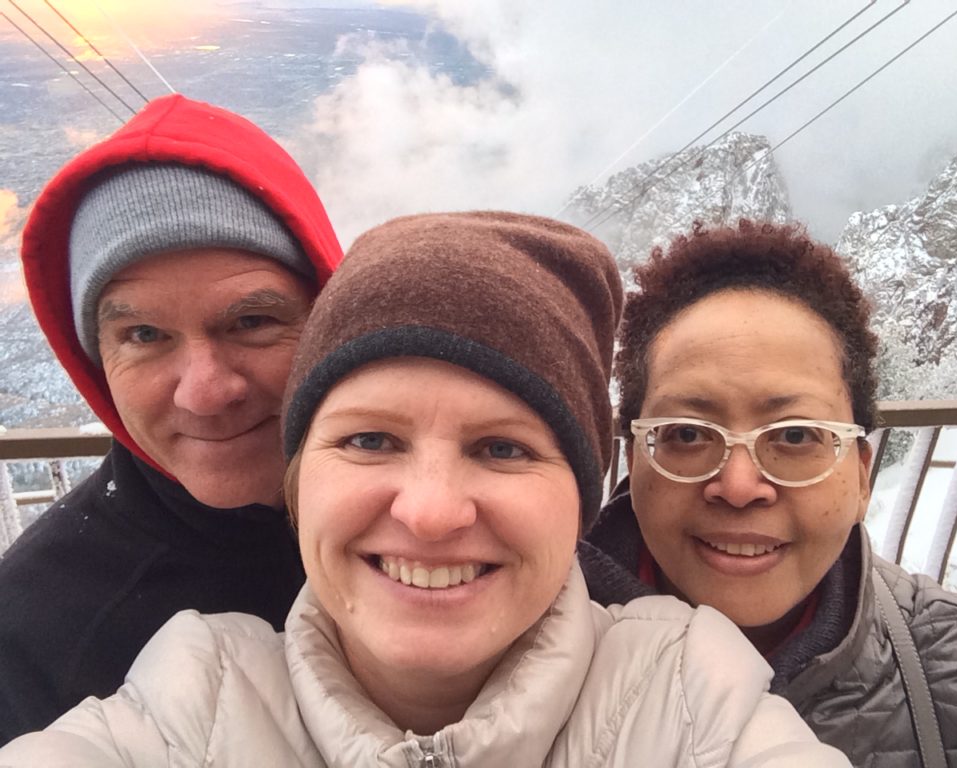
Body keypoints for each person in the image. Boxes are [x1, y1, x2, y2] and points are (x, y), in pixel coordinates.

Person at [0, 212, 851, 767]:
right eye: (371, 440)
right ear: (297, 485)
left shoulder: (695, 705)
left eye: (504, 449)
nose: (433, 511)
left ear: (584, 498)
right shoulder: (186, 711)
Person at [579, 220, 957, 767]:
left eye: (794, 436)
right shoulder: (517, 656)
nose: (739, 488)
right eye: (688, 434)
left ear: (861, 476)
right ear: (634, 459)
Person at [0, 94, 343, 743]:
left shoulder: (437, 516)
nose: (205, 392)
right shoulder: (37, 636)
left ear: (330, 320)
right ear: (94, 362)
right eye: (144, 335)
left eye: (252, 321)